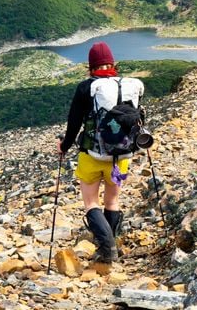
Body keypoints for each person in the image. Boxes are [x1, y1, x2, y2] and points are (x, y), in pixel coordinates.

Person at [57, 41, 144, 273]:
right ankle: (108, 246)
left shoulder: (87, 88)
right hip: (121, 156)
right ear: (113, 64)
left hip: (92, 155)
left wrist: (64, 146)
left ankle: (107, 248)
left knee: (91, 203)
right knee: (112, 202)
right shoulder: (128, 86)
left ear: (91, 66)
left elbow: (74, 122)